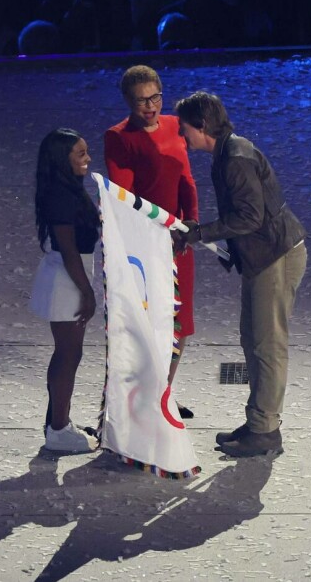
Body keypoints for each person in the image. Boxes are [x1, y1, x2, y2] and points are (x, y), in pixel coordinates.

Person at [173, 91, 307, 458]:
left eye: (185, 129)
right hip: (262, 257)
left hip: (274, 258)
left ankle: (265, 431)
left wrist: (200, 233)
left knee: (267, 346)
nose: (183, 137)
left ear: (201, 126)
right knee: (254, 340)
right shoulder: (228, 152)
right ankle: (258, 422)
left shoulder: (235, 158)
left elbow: (250, 217)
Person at [104, 65, 198, 418]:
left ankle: (164, 393)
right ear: (128, 102)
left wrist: (191, 224)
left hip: (179, 241)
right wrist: (156, 232)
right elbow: (124, 197)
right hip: (147, 245)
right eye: (141, 100)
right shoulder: (119, 137)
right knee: (151, 321)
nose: (150, 106)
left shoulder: (175, 126)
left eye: (155, 97)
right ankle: (143, 397)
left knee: (180, 321)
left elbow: (186, 180)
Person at [29, 128, 100, 454]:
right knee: (68, 354)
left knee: (68, 353)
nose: (88, 159)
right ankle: (58, 429)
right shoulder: (60, 195)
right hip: (67, 277)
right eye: (80, 154)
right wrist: (87, 292)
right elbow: (69, 251)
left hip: (71, 273)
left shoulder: (67, 187)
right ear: (63, 160)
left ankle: (58, 422)